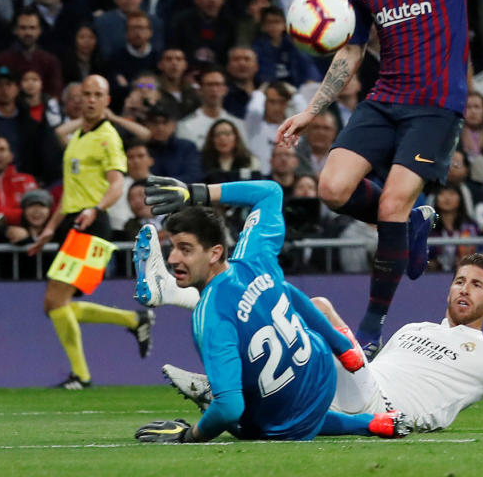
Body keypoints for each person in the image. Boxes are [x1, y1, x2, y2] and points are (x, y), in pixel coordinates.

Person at [276, 0, 483, 355]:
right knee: (331, 186)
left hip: (435, 106)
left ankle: (371, 328)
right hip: (385, 98)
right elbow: (351, 50)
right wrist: (313, 109)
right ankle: (411, 224)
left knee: (389, 199)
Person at [158, 252, 483, 434]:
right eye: (459, 280)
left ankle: (183, 305)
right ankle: (226, 389)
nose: (463, 290)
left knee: (317, 311)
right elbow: (364, 364)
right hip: (360, 387)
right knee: (313, 340)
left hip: (389, 413)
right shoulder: (413, 329)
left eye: (476, 286)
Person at [130, 177, 409, 442]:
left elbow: (229, 409)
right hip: (321, 369)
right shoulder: (254, 255)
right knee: (282, 291)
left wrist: (190, 435)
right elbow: (269, 192)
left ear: (215, 253)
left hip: (284, 422)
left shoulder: (210, 319)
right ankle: (359, 394)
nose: (173, 257)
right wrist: (196, 192)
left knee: (242, 411)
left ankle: (210, 385)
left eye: (185, 249)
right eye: (173, 248)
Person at [26, 75, 153, 389]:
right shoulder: (81, 136)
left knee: (55, 301)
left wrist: (95, 209)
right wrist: (49, 229)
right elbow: (70, 192)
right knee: (56, 303)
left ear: (108, 101)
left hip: (93, 225)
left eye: (98, 94)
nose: (92, 99)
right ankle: (133, 320)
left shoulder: (108, 137)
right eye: (87, 94)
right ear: (79, 98)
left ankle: (81, 375)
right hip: (73, 222)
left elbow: (117, 184)